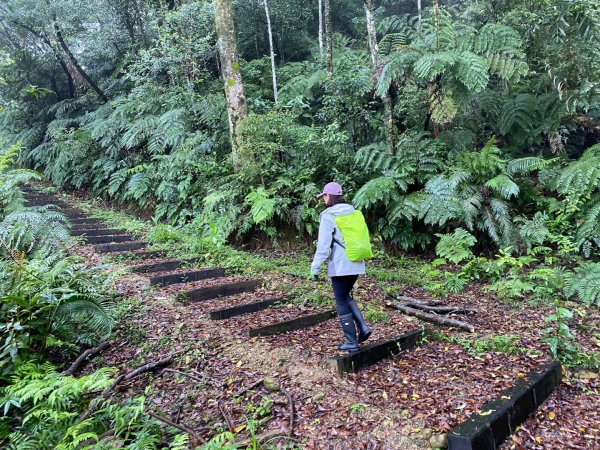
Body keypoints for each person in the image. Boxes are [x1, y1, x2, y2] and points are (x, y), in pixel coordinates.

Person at [309, 182, 372, 352]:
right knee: (346, 296)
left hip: (341, 265)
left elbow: (323, 246)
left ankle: (351, 341)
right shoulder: (352, 211)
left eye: (324, 196)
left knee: (341, 300)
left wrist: (314, 268)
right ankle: (364, 328)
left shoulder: (329, 215)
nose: (323, 199)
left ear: (329, 196)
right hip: (357, 262)